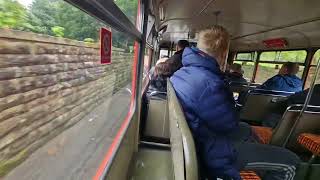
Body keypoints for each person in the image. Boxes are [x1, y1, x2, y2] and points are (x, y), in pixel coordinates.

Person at [170, 26, 300, 180]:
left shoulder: (181, 73)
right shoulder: (211, 83)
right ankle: (260, 163)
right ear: (224, 54)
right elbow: (229, 124)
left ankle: (260, 164)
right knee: (291, 161)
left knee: (248, 130)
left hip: (202, 138)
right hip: (213, 152)